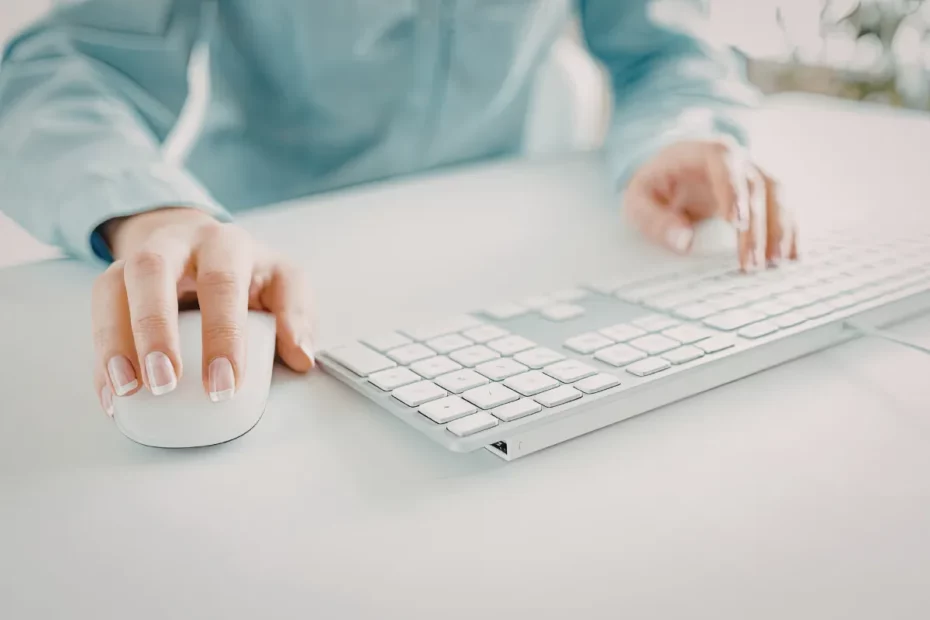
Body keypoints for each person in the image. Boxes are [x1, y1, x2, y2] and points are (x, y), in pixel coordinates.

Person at [0, 1, 796, 416]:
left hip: (523, 251)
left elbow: (666, 49)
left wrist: (678, 133)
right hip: (264, 255)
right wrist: (153, 211)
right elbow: (60, 67)